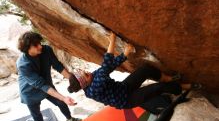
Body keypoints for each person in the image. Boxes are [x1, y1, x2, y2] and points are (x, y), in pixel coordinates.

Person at [67, 32, 201, 114]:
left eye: (84, 71)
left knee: (145, 69)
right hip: (127, 100)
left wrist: (125, 55)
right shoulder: (93, 90)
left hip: (123, 88)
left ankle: (167, 78)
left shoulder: (92, 77)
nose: (87, 72)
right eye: (85, 74)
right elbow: (106, 66)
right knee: (157, 88)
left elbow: (110, 66)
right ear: (85, 83)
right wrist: (113, 41)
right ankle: (183, 87)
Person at [16, 32, 81, 121]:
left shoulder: (46, 50)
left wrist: (71, 78)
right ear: (26, 48)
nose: (40, 46)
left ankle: (70, 119)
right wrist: (63, 97)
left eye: (39, 43)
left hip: (46, 83)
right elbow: (40, 84)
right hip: (30, 92)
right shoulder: (23, 64)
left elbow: (58, 66)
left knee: (61, 103)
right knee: (36, 114)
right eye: (35, 45)